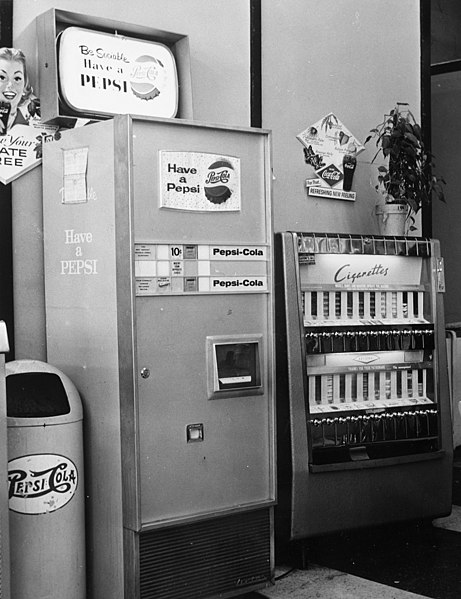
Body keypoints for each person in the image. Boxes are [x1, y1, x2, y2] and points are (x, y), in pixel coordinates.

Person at [0, 47, 40, 134]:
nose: (10, 85)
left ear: (24, 85)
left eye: (17, 78)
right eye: (2, 77)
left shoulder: (35, 124)